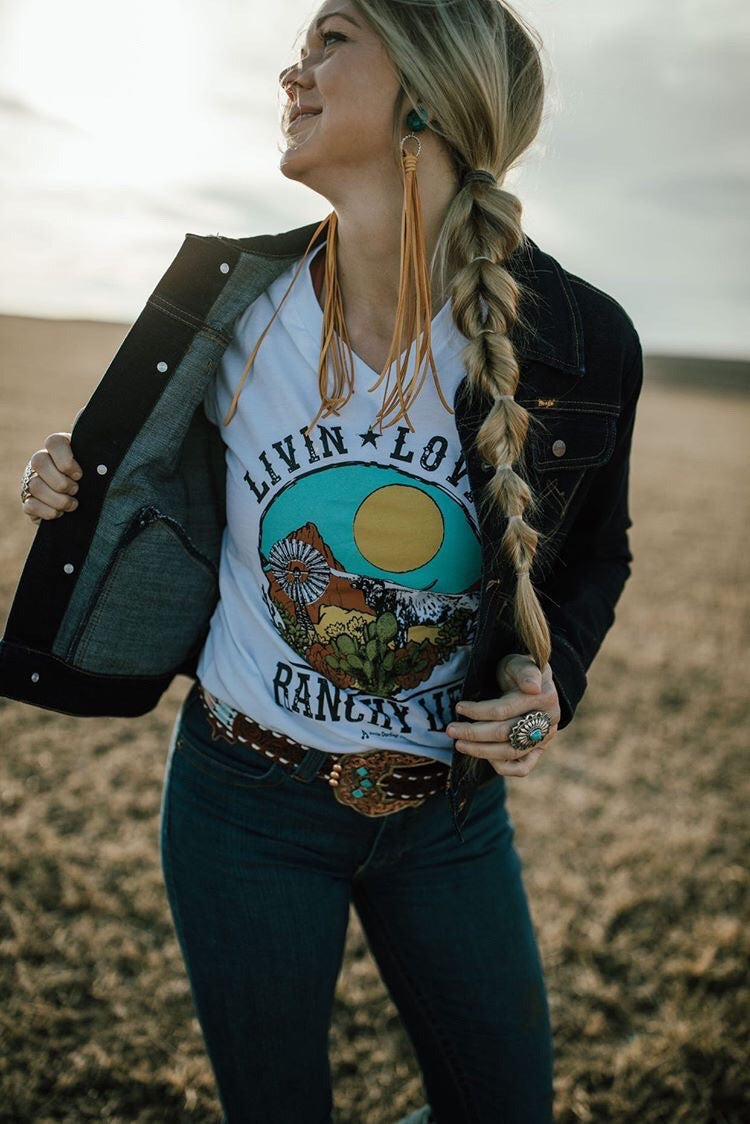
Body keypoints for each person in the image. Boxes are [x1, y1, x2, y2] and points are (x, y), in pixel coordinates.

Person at [2, 1, 644, 1121]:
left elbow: (595, 554)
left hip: (447, 818)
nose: (290, 72)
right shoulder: (225, 303)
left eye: (331, 39)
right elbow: (152, 479)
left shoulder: (581, 342)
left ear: (429, 96)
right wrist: (68, 479)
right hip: (240, 801)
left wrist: (549, 687)